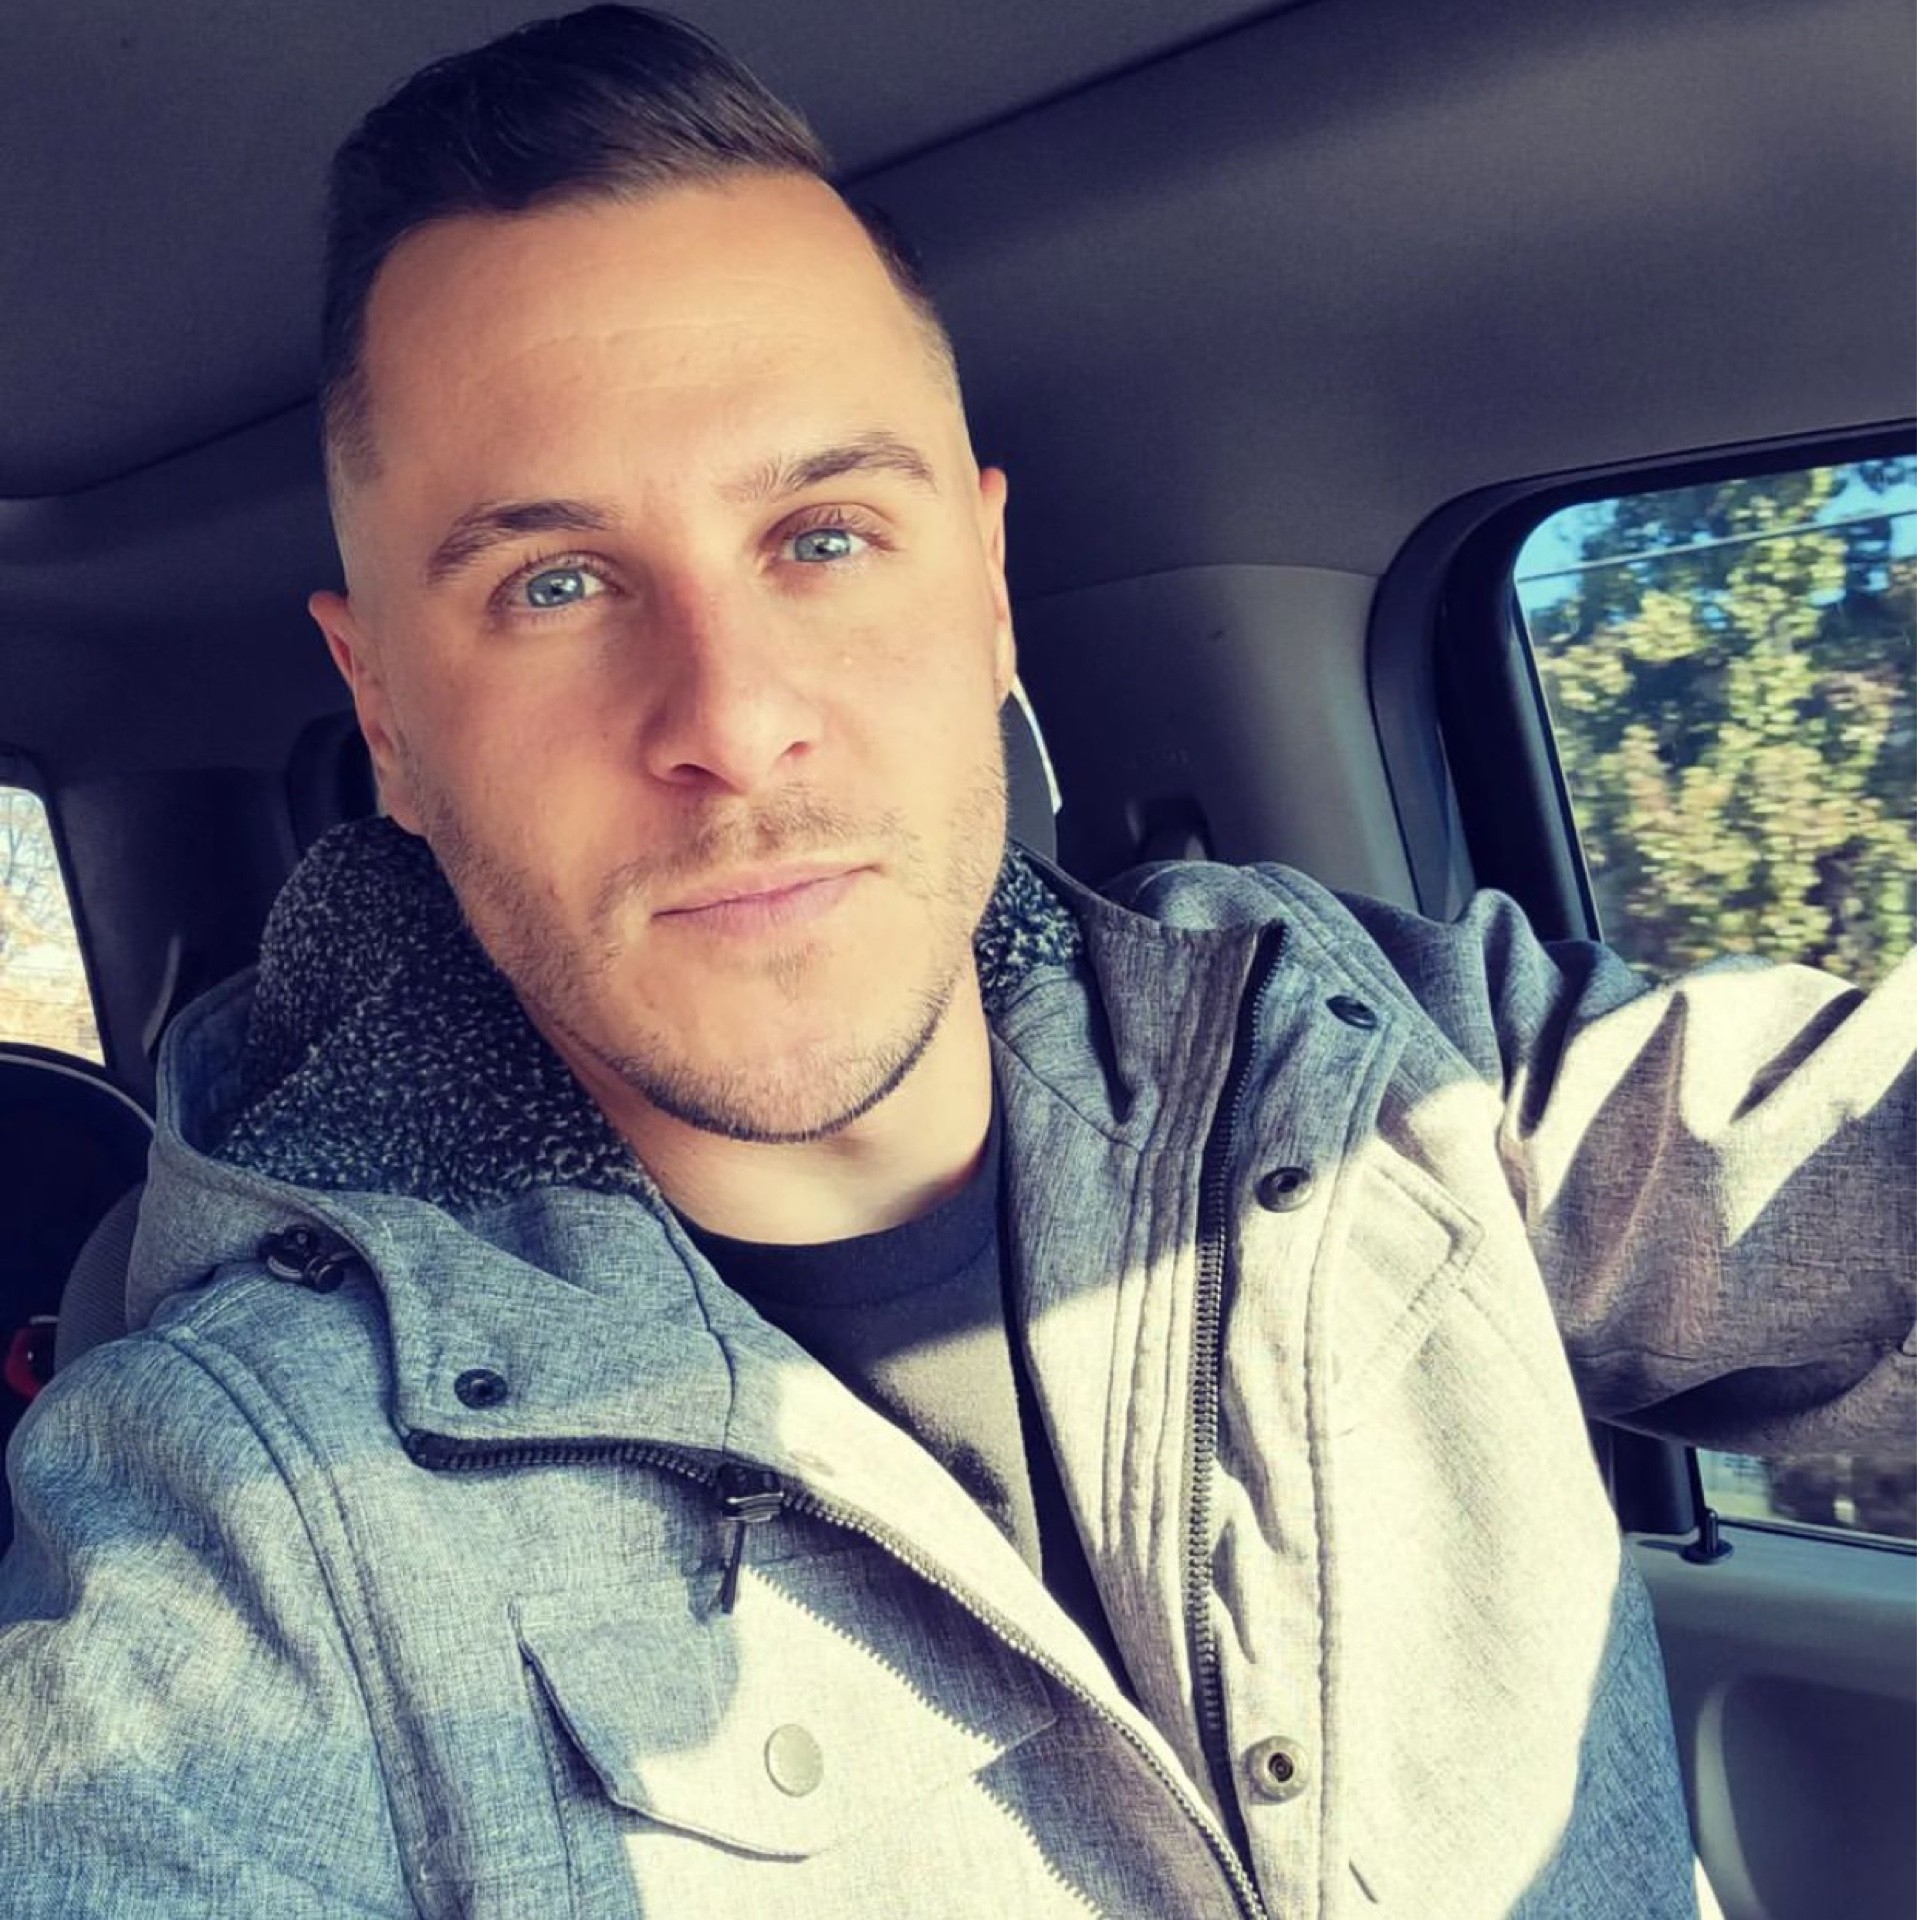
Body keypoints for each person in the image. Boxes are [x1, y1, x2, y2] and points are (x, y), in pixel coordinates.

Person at [0, 8, 1909, 1916]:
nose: (733, 721)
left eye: (823, 536)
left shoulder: (1378, 1050)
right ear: (387, 716)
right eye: (554, 584)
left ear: (987, 593)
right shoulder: (236, 1522)